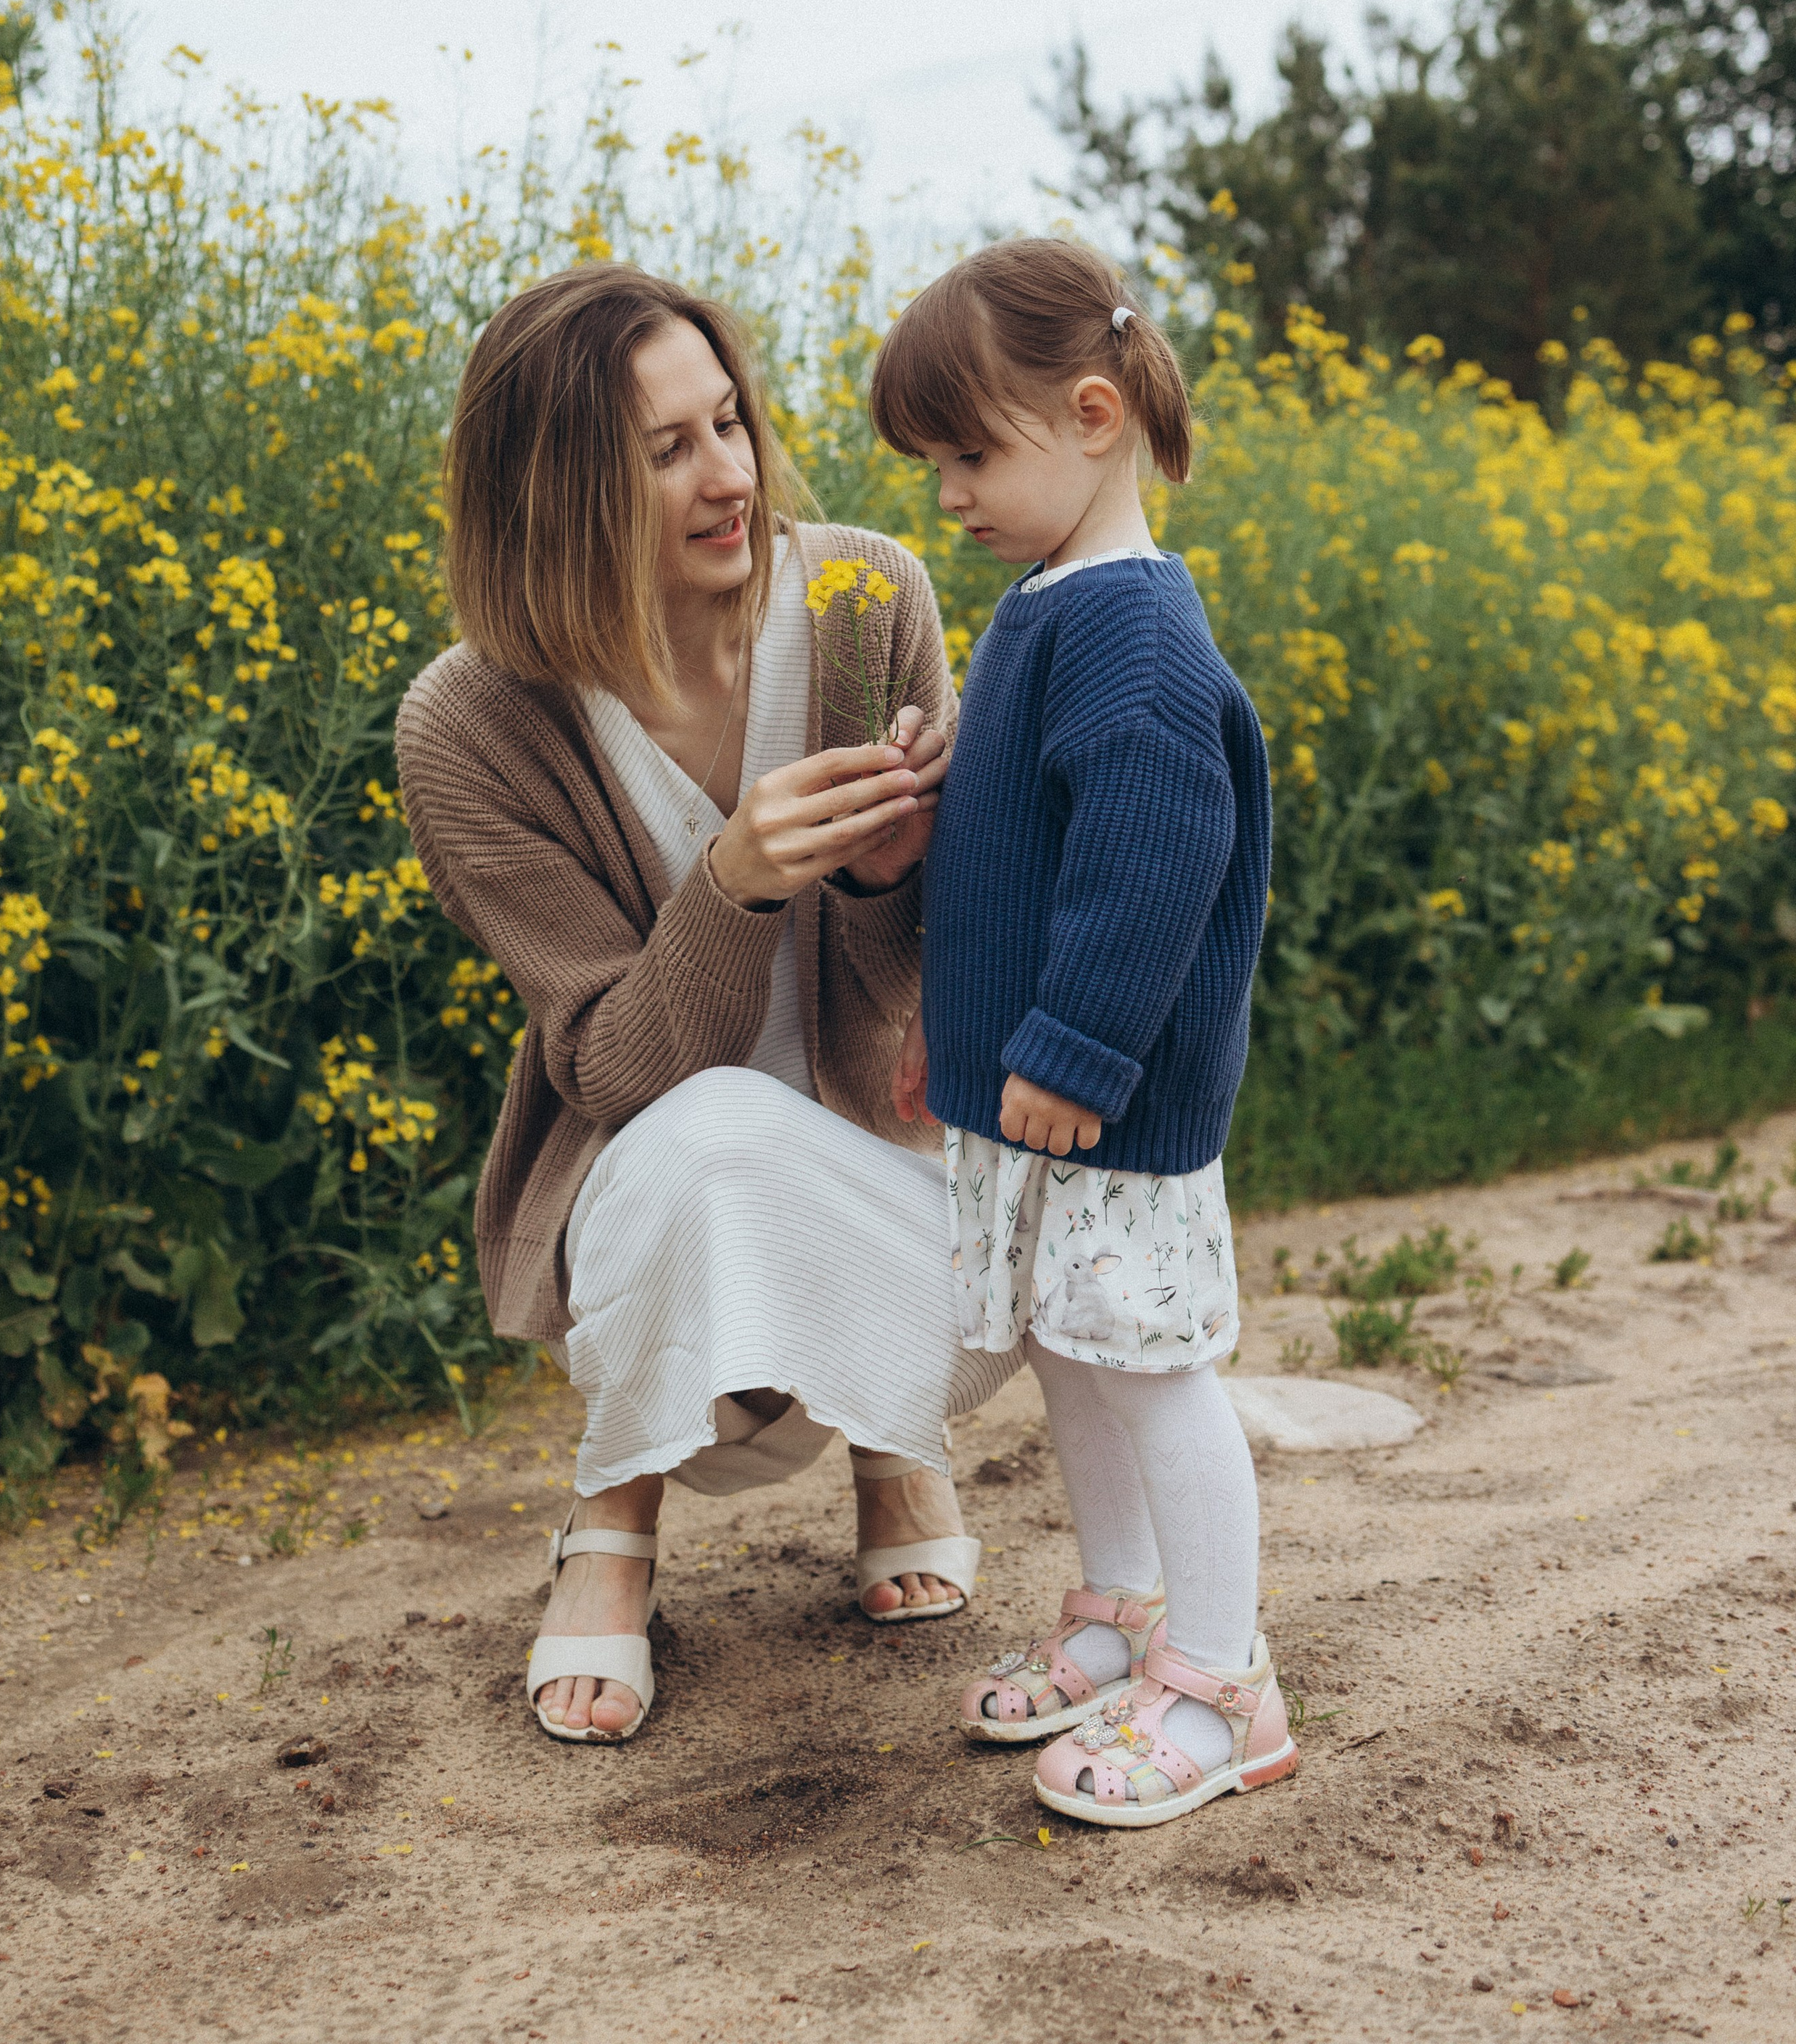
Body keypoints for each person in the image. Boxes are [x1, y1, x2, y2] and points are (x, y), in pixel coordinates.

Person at [396, 262, 1018, 1747]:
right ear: (553, 491)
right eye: (664, 450)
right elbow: (611, 1069)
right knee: (716, 1128)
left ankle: (892, 1440)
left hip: (885, 1167)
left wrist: (887, 878)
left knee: (1082, 1166)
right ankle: (611, 1528)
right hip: (654, 1199)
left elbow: (954, 977)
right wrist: (732, 881)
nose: (727, 475)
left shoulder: (871, 598)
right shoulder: (471, 725)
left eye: (727, 421)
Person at [870, 237, 1297, 1830]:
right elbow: (1012, 857)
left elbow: (1148, 859)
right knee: (1070, 1351)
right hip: (1032, 1086)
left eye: (970, 453)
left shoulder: (1128, 636)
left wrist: (1069, 1053)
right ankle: (1118, 1610)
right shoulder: (1050, 607)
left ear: (1094, 415)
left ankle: (1221, 1680)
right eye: (934, 465)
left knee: (1155, 1370)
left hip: (1104, 1099)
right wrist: (952, 1031)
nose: (949, 495)